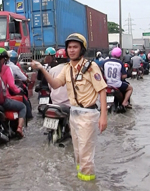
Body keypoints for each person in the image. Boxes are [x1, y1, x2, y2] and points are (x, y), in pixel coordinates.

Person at [31, 33, 107, 181]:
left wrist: (104, 116)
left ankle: (88, 183)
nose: (72, 50)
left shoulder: (91, 67)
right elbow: (54, 84)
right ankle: (80, 182)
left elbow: (102, 90)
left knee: (86, 155)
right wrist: (41, 68)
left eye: (75, 47)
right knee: (78, 154)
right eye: (69, 47)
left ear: (82, 49)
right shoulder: (67, 68)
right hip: (73, 113)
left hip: (88, 114)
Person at [0, 48, 26, 136]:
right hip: (2, 100)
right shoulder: (6, 69)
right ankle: (19, 128)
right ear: (4, 59)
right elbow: (12, 86)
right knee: (22, 107)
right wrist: (19, 91)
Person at [6, 50, 33, 119]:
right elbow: (13, 84)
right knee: (24, 103)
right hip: (8, 91)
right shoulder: (11, 68)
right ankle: (27, 118)